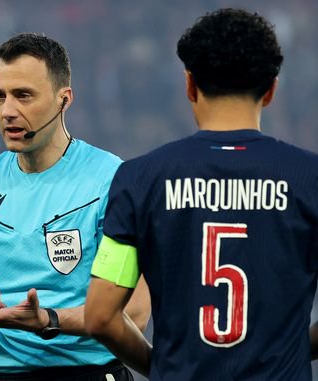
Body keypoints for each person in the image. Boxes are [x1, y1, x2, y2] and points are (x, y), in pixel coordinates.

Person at [84, 8, 318, 380]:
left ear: (189, 85)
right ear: (272, 89)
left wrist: (158, 367)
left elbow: (100, 316)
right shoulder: (309, 179)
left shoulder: (139, 179)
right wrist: (294, 353)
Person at [0, 33, 150, 381]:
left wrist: (48, 320)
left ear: (64, 100)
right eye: (0, 96)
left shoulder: (113, 183)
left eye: (23, 96)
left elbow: (133, 313)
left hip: (92, 373)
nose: (8, 111)